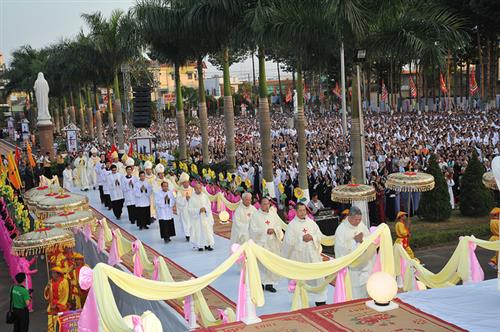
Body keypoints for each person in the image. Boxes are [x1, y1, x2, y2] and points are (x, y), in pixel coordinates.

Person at [282, 203, 326, 306]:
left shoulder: (311, 223)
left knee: (317, 278)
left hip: (312, 256)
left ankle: (320, 299)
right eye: (300, 210)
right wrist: (301, 239)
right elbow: (288, 242)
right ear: (296, 212)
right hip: (299, 257)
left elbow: (319, 235)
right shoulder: (292, 225)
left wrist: (312, 237)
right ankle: (301, 299)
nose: (303, 212)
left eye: (304, 210)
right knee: (302, 279)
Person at [334, 206, 374, 299]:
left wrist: (362, 240)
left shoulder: (361, 225)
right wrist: (354, 242)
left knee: (366, 286)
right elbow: (340, 250)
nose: (358, 222)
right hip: (351, 267)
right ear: (349, 217)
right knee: (354, 290)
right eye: (356, 219)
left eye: (360, 219)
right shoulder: (341, 229)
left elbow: (368, 239)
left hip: (364, 264)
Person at [249, 197, 284, 292]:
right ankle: (260, 283)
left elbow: (278, 226)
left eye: (268, 204)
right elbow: (252, 230)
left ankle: (269, 283)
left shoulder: (273, 214)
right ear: (260, 205)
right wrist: (265, 231)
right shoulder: (255, 216)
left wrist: (275, 230)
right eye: (264, 204)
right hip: (261, 244)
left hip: (272, 243)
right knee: (261, 264)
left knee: (270, 263)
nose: (266, 205)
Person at [188, 182, 215, 251]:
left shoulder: (205, 196)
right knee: (198, 231)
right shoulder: (192, 198)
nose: (198, 189)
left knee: (207, 231)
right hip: (197, 219)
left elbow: (209, 205)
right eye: (197, 188)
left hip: (205, 218)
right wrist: (198, 210)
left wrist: (205, 209)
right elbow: (190, 209)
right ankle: (200, 246)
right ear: (194, 189)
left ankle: (208, 245)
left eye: (200, 188)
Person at [44, 267, 69, 332]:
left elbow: (65, 295)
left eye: (53, 273)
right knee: (50, 324)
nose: (52, 274)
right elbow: (47, 295)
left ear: (58, 274)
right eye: (52, 273)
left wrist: (58, 305)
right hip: (52, 305)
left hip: (61, 305)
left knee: (63, 324)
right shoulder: (50, 281)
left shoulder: (64, 282)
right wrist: (48, 288)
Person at [176, 172, 193, 241]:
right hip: (184, 209)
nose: (186, 183)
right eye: (184, 182)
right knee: (186, 222)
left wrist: (191, 199)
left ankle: (192, 234)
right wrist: (185, 199)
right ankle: (187, 235)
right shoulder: (180, 191)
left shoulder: (192, 189)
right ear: (182, 183)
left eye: (187, 182)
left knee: (192, 221)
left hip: (192, 208)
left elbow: (195, 198)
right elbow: (178, 200)